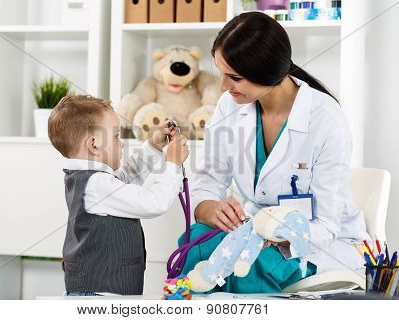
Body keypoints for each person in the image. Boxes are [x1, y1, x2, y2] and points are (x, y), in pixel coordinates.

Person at [190, 11, 369, 281]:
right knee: (195, 244)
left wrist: (270, 233)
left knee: (249, 269)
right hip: (248, 229)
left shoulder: (325, 119)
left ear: (270, 74)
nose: (222, 87)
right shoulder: (230, 105)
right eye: (221, 73)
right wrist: (209, 208)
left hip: (311, 244)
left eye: (234, 78)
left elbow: (325, 227)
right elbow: (208, 179)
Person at [48, 95, 189, 296]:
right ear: (94, 144)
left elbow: (126, 179)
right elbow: (153, 203)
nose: (121, 144)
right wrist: (173, 163)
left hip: (105, 292)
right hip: (101, 295)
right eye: (115, 136)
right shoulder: (97, 184)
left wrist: (153, 147)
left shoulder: (94, 180)